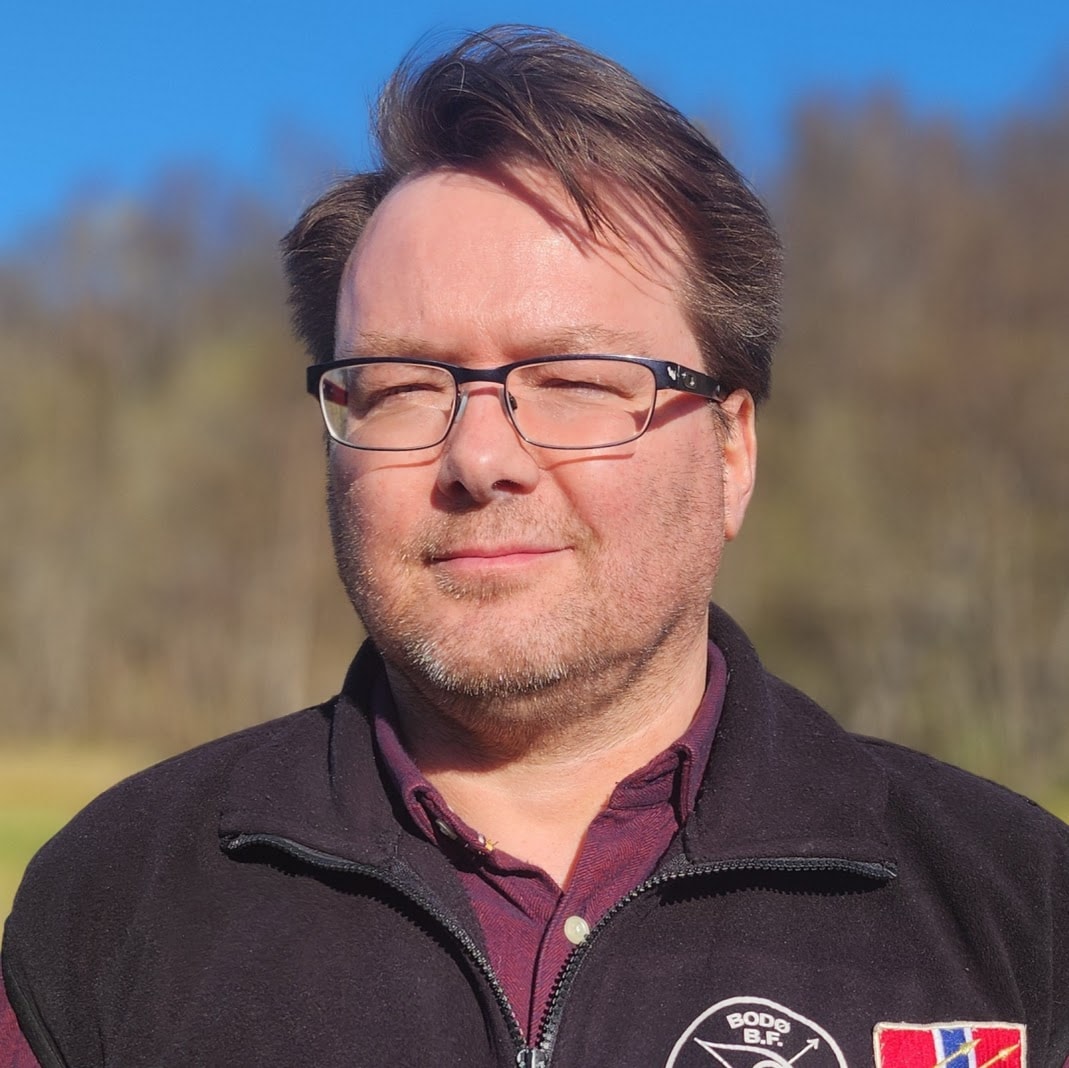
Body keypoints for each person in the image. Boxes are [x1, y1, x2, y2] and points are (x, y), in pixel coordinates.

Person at [3, 24, 1068, 1068]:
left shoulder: (1015, 909)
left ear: (732, 451)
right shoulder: (114, 902)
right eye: (401, 386)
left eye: (573, 382)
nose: (478, 458)